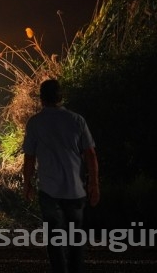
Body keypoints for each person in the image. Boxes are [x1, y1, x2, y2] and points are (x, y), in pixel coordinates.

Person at [23, 79, 100, 273]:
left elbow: (30, 158)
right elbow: (90, 154)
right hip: (75, 190)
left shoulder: (35, 123)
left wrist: (28, 184)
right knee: (76, 241)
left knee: (54, 240)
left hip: (49, 191)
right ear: (61, 96)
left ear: (41, 99)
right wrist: (94, 184)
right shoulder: (77, 120)